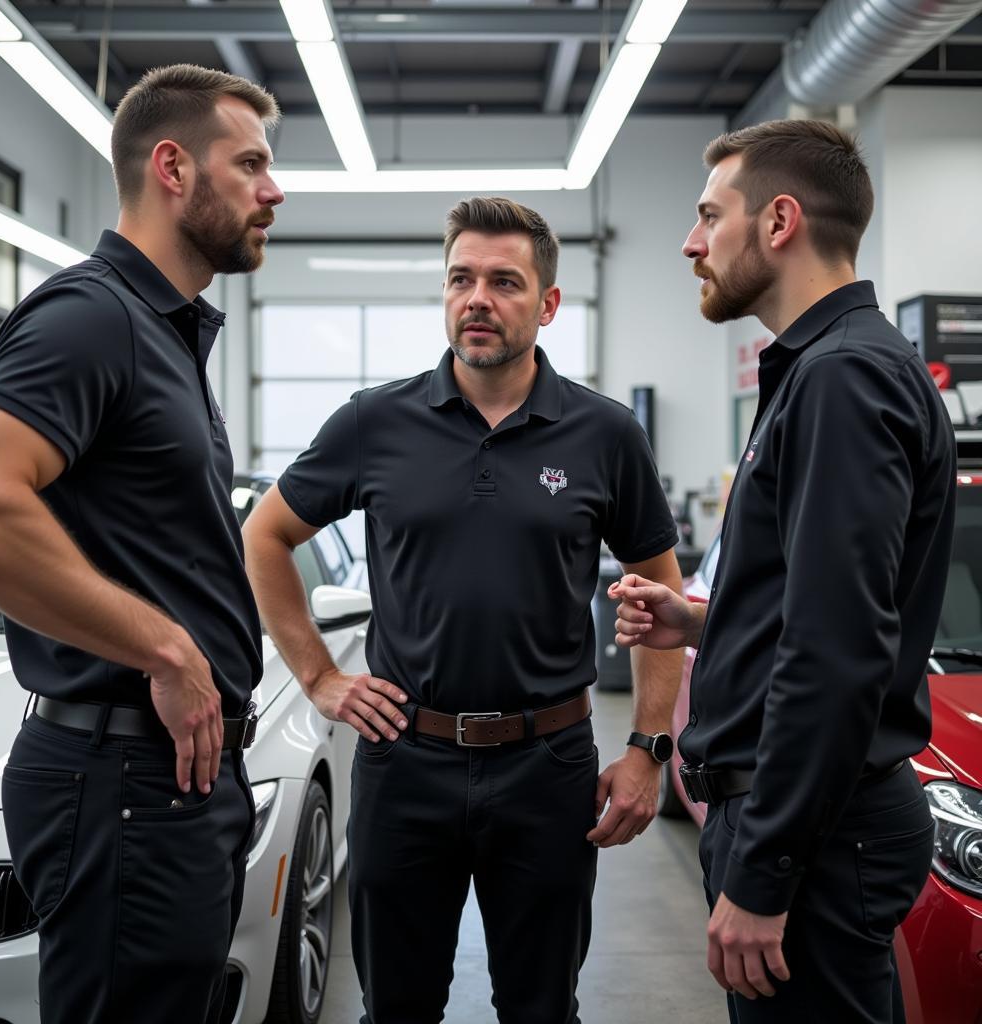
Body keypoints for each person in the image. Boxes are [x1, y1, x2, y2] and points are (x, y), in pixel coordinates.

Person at [243, 196, 683, 1024]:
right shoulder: (374, 423)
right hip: (405, 762)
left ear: (548, 304)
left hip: (548, 766)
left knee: (542, 1008)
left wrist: (648, 749)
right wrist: (320, 678)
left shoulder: (605, 434)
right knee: (396, 1008)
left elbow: (660, 599)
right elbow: (264, 535)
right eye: (460, 279)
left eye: (504, 282)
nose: (477, 298)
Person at [0, 64, 285, 1024]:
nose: (274, 190)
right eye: (251, 164)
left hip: (168, 780)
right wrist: (166, 648)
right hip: (124, 779)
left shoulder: (164, 331)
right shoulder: (93, 315)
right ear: (173, 167)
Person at [612, 119, 956, 1023]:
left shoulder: (842, 378)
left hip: (814, 842)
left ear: (779, 221)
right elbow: (817, 601)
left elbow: (837, 650)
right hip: (810, 829)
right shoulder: (823, 371)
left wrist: (765, 873)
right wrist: (705, 622)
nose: (691, 243)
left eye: (708, 215)